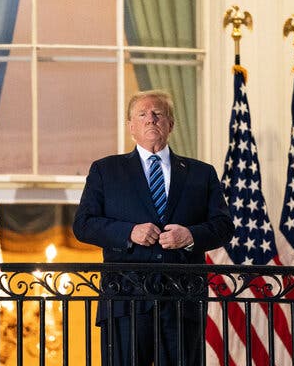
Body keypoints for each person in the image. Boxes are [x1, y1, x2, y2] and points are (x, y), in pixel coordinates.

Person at [73, 90, 234, 366]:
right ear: (131, 126)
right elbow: (83, 225)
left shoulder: (201, 173)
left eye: (158, 113)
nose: (151, 119)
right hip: (125, 300)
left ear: (170, 124)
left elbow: (223, 227)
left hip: (182, 302)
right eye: (142, 114)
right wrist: (129, 232)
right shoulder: (105, 170)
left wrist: (190, 236)